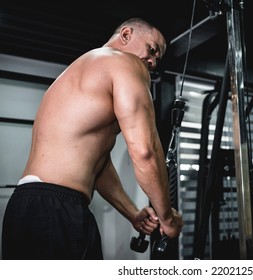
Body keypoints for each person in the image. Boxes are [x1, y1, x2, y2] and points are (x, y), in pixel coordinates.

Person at [1, 18, 183, 260]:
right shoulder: (126, 63)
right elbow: (145, 151)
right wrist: (167, 218)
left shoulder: (75, 72)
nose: (151, 62)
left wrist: (132, 213)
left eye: (156, 60)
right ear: (126, 34)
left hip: (24, 208)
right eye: (151, 50)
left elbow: (98, 163)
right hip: (58, 212)